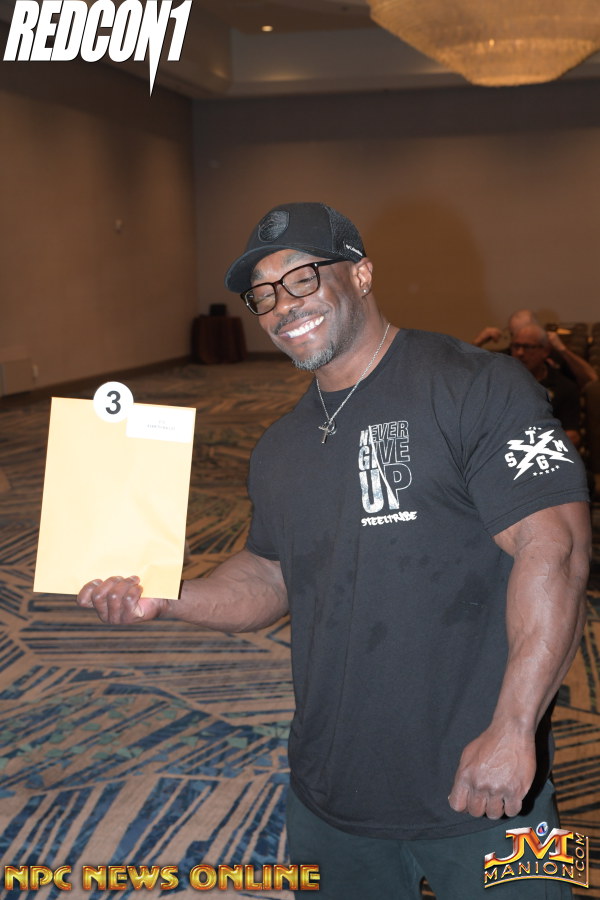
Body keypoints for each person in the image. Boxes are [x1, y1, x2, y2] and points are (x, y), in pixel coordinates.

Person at [77, 203, 591, 899]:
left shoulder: (475, 385)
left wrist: (514, 727)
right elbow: (271, 574)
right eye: (262, 294)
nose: (281, 306)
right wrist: (167, 595)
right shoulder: (280, 448)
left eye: (302, 278)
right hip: (332, 795)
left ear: (362, 274)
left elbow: (554, 547)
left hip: (495, 787)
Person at [473, 309, 598, 390]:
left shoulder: (553, 355)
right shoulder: (505, 357)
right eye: (515, 336)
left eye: (527, 345)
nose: (520, 352)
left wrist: (562, 349)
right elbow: (464, 376)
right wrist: (477, 342)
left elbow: (591, 380)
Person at [510, 323, 582, 447]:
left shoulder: (564, 387)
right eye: (516, 346)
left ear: (545, 351)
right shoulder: (497, 383)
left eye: (527, 347)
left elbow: (572, 436)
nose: (520, 352)